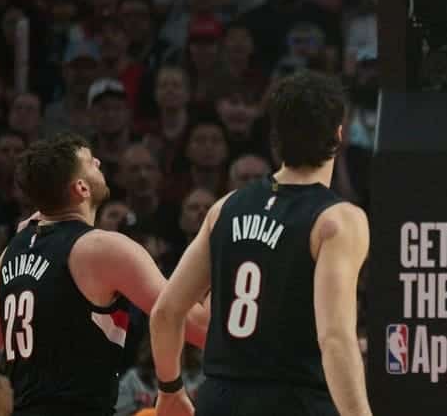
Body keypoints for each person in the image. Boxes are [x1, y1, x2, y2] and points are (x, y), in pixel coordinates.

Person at [148, 71, 372, 416]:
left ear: (275, 137)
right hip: (294, 401)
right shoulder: (337, 220)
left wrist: (170, 388)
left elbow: (166, 311)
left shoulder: (225, 207)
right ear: (338, 134)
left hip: (219, 399)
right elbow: (335, 339)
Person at [0, 133, 209, 416]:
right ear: (81, 187)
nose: (98, 161)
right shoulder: (102, 248)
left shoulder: (12, 250)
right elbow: (196, 326)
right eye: (89, 162)